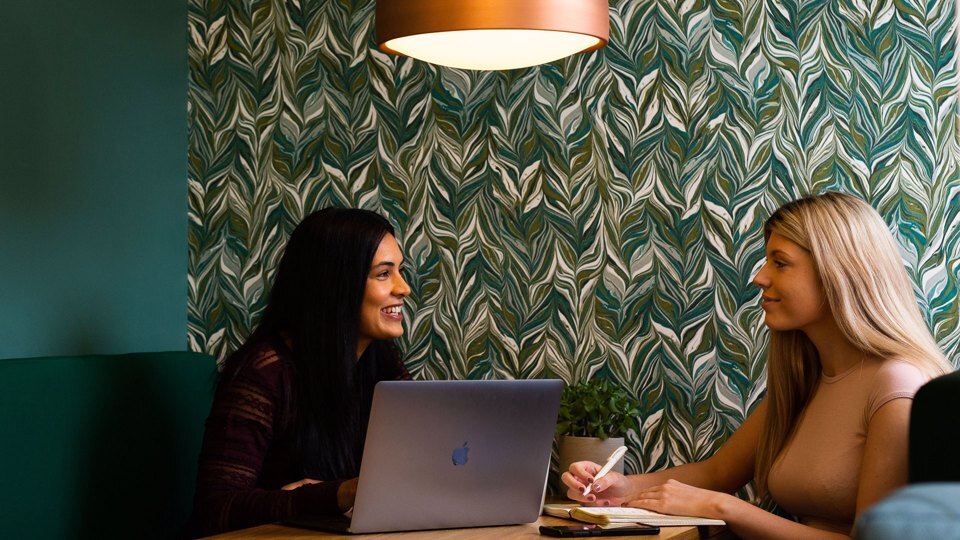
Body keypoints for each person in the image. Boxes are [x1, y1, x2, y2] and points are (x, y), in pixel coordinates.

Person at [562, 192, 953, 538]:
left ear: (839, 272)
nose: (759, 278)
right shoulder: (809, 377)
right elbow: (718, 473)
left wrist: (723, 508)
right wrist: (622, 488)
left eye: (780, 263)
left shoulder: (896, 386)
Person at [187, 208, 412, 537]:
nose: (403, 288)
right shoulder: (263, 373)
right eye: (383, 274)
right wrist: (338, 494)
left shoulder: (383, 362)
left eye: (400, 271)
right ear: (336, 284)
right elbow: (215, 510)